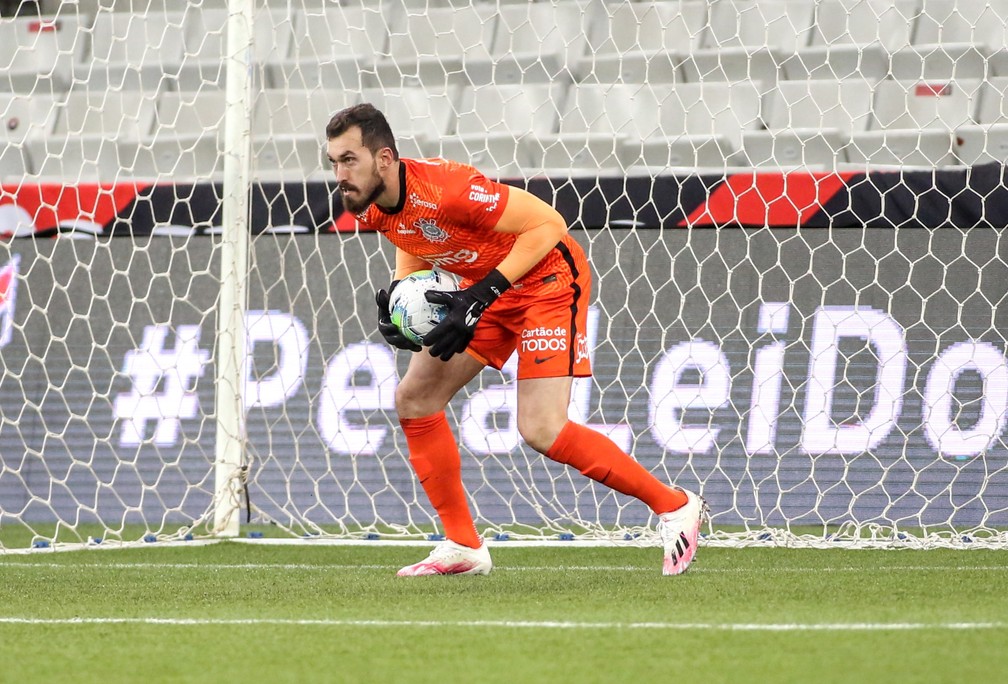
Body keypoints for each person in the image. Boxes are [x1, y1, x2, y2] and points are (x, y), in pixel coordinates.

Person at [325, 103, 707, 576]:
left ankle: (674, 506)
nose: (340, 174)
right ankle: (464, 545)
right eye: (334, 163)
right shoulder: (371, 204)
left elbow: (548, 224)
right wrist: (406, 307)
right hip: (485, 292)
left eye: (348, 160)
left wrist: (482, 294)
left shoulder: (449, 189)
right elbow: (413, 240)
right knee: (415, 397)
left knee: (540, 428)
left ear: (384, 159)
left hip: (546, 280)